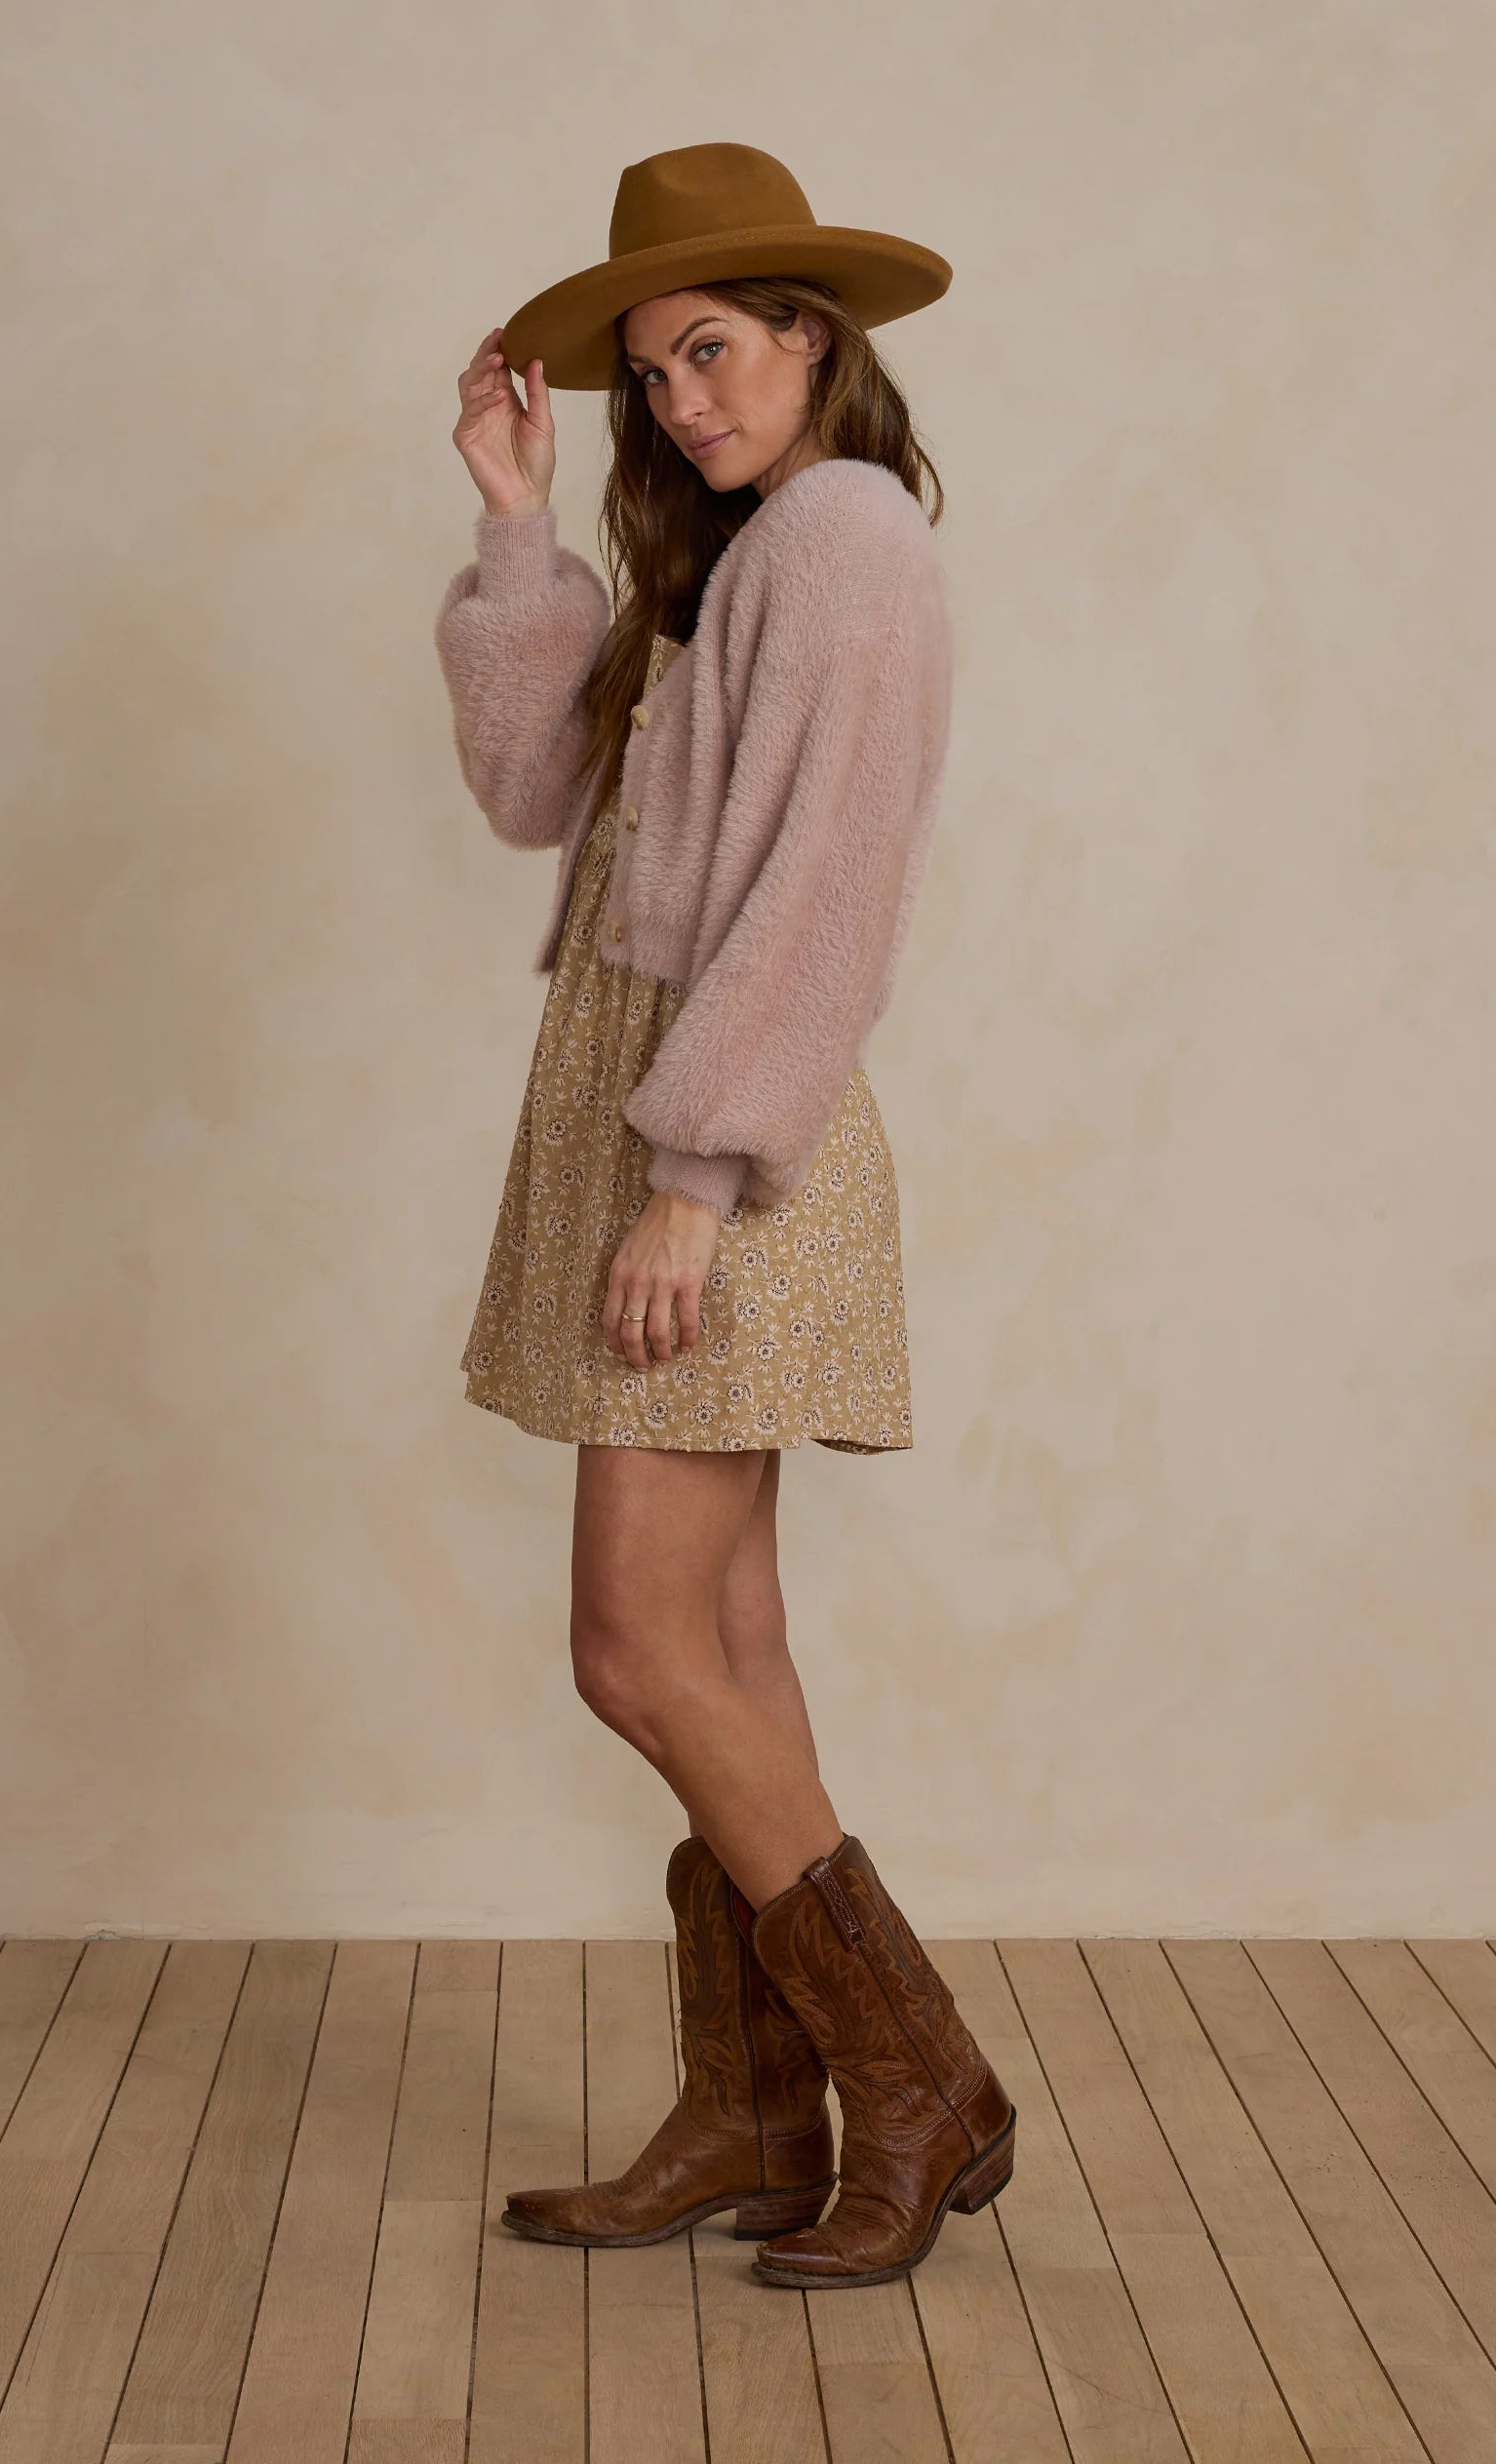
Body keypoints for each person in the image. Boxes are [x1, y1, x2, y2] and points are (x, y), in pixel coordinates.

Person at [432, 143, 1015, 2289]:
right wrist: (516, 525)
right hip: (662, 1124)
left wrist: (689, 1187)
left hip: (723, 1154)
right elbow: (538, 800)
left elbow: (824, 892)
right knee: (731, 1646)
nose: (683, 400)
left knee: (635, 1647)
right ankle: (764, 2118)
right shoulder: (740, 558)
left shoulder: (845, 537)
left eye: (713, 350)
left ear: (811, 339)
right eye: (653, 371)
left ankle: (923, 2081)